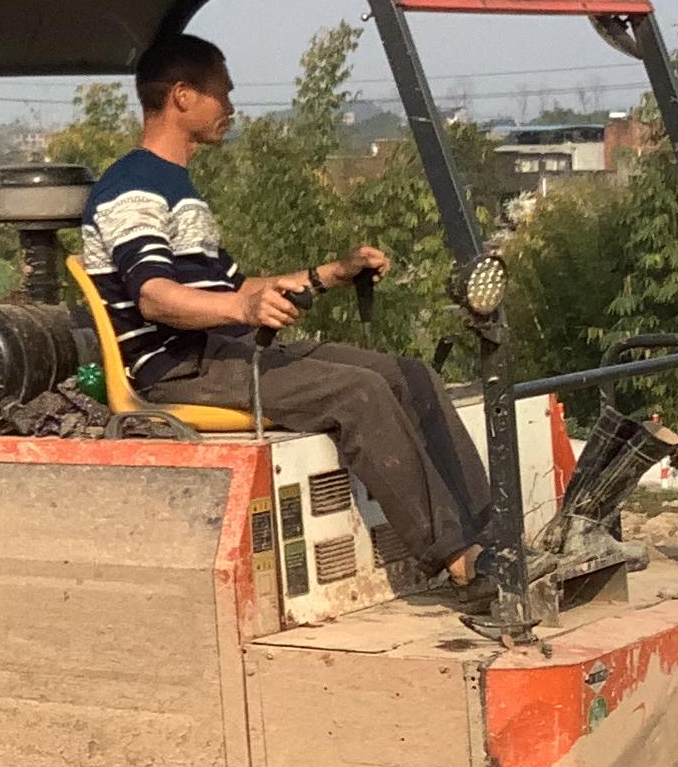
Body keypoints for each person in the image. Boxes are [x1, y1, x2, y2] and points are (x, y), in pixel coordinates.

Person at [78, 34, 493, 588]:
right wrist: (241, 306)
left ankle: (493, 535)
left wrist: (330, 273)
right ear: (182, 96)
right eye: (221, 95)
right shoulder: (131, 189)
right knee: (358, 392)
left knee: (406, 374)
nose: (230, 108)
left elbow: (236, 287)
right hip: (178, 370)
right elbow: (154, 295)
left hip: (222, 353)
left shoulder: (175, 185)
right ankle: (460, 560)